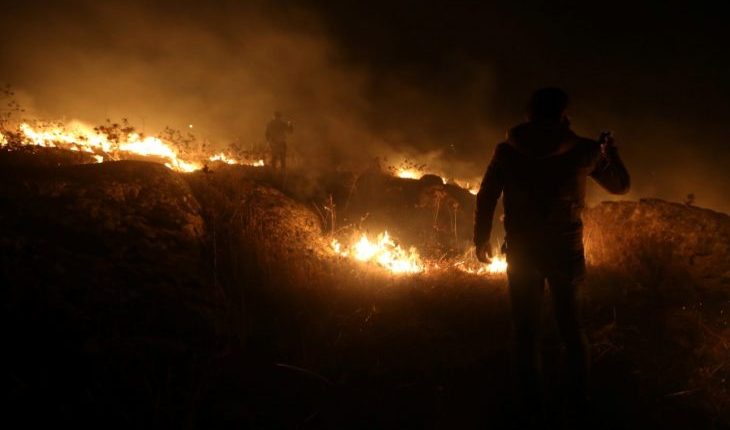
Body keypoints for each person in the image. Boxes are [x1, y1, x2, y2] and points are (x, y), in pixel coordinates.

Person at [473, 87, 630, 423]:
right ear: (563, 114)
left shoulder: (507, 151)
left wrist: (481, 238)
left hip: (522, 250)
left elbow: (486, 195)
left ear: (528, 114)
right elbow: (620, 186)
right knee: (572, 329)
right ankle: (578, 404)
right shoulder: (584, 150)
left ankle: (531, 408)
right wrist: (610, 153)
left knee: (524, 331)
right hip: (564, 252)